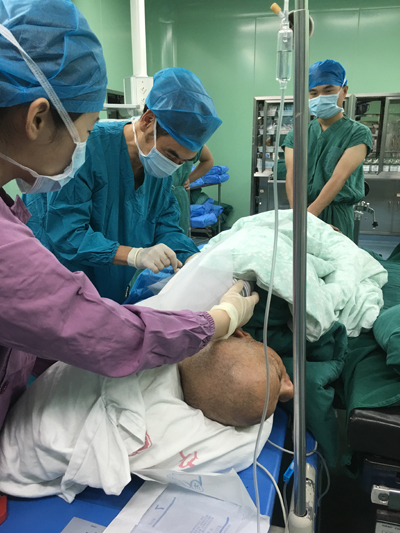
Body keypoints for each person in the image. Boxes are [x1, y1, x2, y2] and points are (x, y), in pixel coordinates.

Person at [0, 0, 258, 433]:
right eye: (83, 132)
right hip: (74, 325)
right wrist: (215, 321)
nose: (79, 149)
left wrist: (201, 264)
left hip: (100, 316)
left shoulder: (157, 174)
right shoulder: (87, 164)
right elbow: (82, 314)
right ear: (38, 119)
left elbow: (168, 227)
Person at [0, 329, 293, 500]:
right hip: (14, 463)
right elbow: (244, 446)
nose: (289, 390)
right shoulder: (157, 346)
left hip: (20, 428)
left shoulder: (167, 412)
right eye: (281, 373)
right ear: (239, 332)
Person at [24, 68, 220, 303]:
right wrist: (134, 255)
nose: (174, 165)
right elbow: (67, 232)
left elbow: (165, 224)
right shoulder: (87, 149)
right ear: (148, 121)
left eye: (183, 162)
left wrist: (191, 258)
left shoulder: (157, 168)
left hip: (113, 282)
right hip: (63, 278)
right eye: (171, 155)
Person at [283, 59, 373, 239]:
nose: (320, 97)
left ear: (344, 91)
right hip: (301, 210)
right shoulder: (297, 134)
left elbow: (339, 177)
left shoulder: (358, 133)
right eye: (313, 93)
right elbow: (292, 176)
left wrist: (309, 219)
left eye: (328, 90)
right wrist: (297, 216)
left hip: (335, 214)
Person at [171, 144, 214, 235]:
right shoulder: (192, 141)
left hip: (176, 196)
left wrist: (189, 179)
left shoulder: (192, 141)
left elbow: (208, 160)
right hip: (173, 196)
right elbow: (208, 160)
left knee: (177, 237)